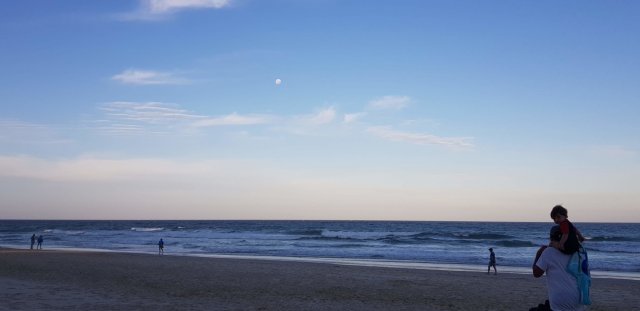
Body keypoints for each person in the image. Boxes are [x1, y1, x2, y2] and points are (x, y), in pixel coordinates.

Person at [532, 225, 587, 311]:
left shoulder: (549, 252)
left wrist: (539, 253)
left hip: (560, 302)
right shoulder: (579, 252)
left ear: (552, 238)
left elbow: (536, 273)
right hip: (580, 299)